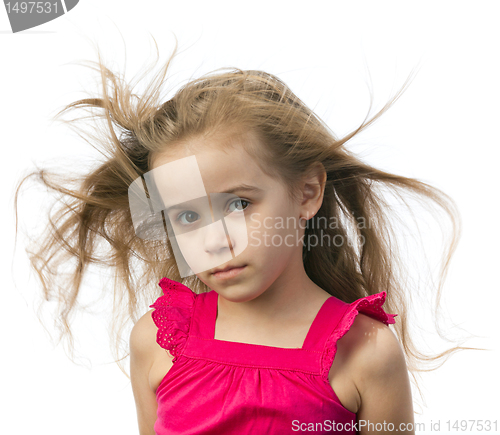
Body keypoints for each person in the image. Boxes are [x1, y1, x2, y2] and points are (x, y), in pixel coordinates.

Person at [16, 41, 465, 434]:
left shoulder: (366, 354)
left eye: (237, 205)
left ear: (307, 193)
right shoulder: (156, 341)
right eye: (188, 216)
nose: (214, 242)